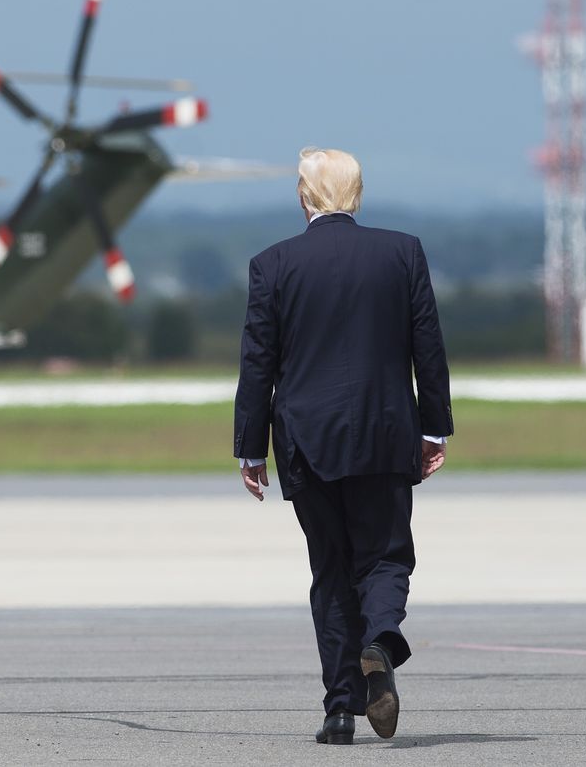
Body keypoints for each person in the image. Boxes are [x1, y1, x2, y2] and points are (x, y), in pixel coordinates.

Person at [233, 147, 452, 744]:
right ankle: (381, 641)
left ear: (305, 196)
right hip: (385, 432)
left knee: (329, 570)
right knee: (383, 556)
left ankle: (338, 710)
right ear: (356, 194)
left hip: (306, 440)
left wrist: (250, 449)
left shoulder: (272, 264)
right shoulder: (402, 252)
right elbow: (426, 347)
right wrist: (434, 428)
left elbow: (259, 364)